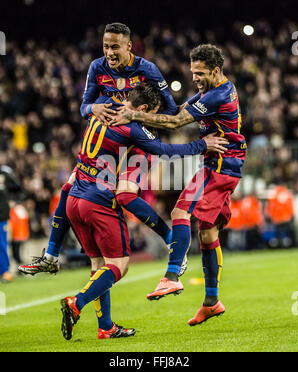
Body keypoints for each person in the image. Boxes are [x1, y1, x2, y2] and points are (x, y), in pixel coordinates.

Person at [60, 82, 229, 340]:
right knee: (119, 265)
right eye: (152, 112)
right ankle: (77, 302)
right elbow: (165, 150)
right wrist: (202, 145)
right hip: (99, 201)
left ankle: (105, 327)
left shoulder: (103, 108)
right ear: (143, 109)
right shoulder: (133, 128)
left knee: (99, 264)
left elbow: (86, 105)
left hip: (75, 197)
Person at [18, 22, 179, 276]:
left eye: (115, 46)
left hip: (138, 140)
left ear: (129, 46)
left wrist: (135, 118)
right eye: (106, 46)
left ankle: (171, 239)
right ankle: (51, 255)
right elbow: (84, 107)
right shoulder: (97, 67)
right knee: (69, 188)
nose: (110, 52)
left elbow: (171, 110)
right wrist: (94, 108)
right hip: (108, 141)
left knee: (126, 195)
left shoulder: (148, 70)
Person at [110, 44, 247, 326]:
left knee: (179, 212)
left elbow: (176, 123)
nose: (194, 77)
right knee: (207, 232)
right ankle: (211, 301)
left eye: (200, 73)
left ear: (216, 71)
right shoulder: (215, 89)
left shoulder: (217, 94)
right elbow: (181, 109)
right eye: (192, 72)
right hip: (224, 164)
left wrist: (135, 115)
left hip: (219, 165)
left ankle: (171, 276)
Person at [0, 154, 26, 282]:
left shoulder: (5, 173)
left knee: (2, 244)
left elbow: (21, 191)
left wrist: (13, 201)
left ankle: (5, 272)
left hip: (1, 216)